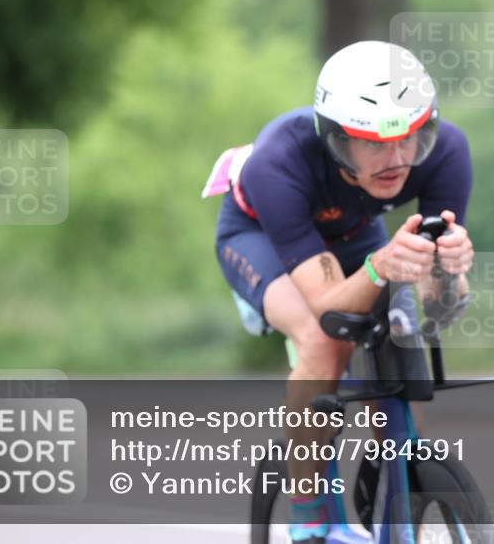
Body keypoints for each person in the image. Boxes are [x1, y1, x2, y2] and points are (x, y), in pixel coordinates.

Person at [203, 41, 474, 542]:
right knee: (324, 342)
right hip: (259, 231)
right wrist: (378, 268)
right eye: (374, 142)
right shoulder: (278, 160)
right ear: (336, 141)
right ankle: (308, 514)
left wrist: (451, 273)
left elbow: (442, 311)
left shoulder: (447, 152)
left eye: (411, 138)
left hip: (353, 232)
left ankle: (398, 479)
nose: (396, 159)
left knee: (398, 331)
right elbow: (329, 309)